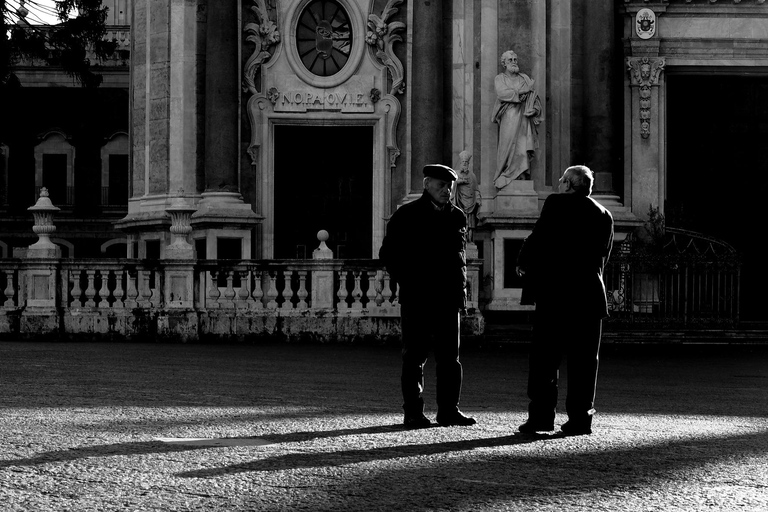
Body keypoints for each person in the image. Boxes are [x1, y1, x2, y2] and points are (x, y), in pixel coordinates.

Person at [515, 165, 614, 435]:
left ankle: (541, 418)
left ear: (569, 184)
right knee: (585, 363)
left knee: (545, 360)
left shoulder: (556, 202)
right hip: (590, 297)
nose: (560, 184)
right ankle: (581, 420)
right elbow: (604, 256)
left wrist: (523, 261)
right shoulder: (604, 214)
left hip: (556, 294)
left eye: (562, 180)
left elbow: (540, 235)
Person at [379, 164, 476, 429]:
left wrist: (461, 296)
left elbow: (460, 260)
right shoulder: (407, 215)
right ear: (426, 184)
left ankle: (449, 411)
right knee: (414, 358)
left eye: (450, 186)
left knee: (450, 359)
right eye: (441, 185)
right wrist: (410, 282)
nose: (447, 191)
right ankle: (413, 412)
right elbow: (388, 255)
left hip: (448, 299)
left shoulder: (457, 216)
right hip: (418, 297)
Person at [492, 50, 542, 190]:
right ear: (504, 63)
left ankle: (520, 174)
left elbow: (534, 98)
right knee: (507, 146)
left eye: (515, 59)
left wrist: (535, 110)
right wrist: (522, 91)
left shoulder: (524, 78)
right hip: (508, 117)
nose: (514, 62)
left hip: (524, 119)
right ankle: (505, 173)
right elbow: (502, 93)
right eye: (510, 60)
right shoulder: (500, 78)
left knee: (521, 147)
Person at [450, 150, 482, 243]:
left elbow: (476, 189)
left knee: (470, 224)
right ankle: (459, 240)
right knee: (459, 222)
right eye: (463, 162)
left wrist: (478, 199)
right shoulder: (456, 174)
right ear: (460, 163)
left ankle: (469, 241)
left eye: (466, 162)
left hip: (471, 204)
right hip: (459, 202)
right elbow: (451, 185)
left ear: (468, 164)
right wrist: (459, 182)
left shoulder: (472, 175)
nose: (464, 164)